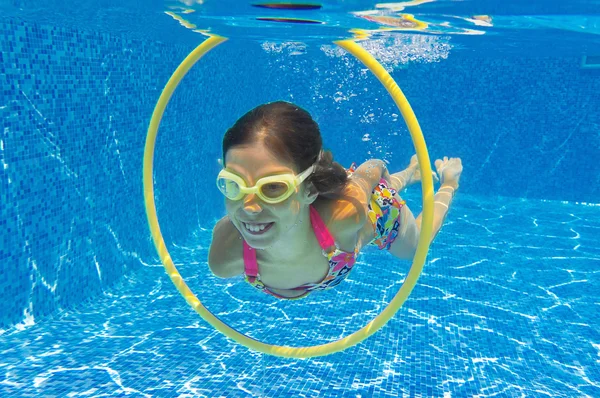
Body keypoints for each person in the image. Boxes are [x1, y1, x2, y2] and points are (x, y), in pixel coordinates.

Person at [209, 101, 462, 300]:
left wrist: (379, 167)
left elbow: (365, 177)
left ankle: (448, 182)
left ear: (308, 190)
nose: (248, 206)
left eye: (273, 187)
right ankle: (411, 171)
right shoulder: (225, 255)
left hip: (374, 210)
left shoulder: (344, 216)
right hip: (337, 196)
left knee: (414, 247)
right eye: (234, 184)